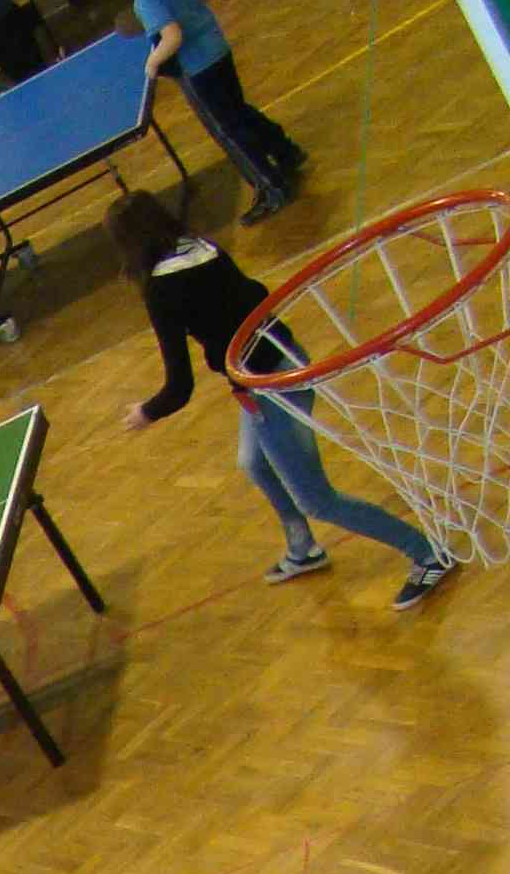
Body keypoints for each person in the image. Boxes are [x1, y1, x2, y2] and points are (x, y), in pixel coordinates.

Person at [106, 192, 452, 607]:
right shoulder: (204, 248)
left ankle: (427, 553)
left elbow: (180, 387)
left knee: (317, 500)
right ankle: (302, 547)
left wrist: (146, 412)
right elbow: (256, 293)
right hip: (287, 359)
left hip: (270, 386)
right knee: (253, 462)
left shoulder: (161, 290)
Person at [108, 0, 305, 221]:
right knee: (239, 110)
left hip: (197, 68)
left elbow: (172, 37)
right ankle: (287, 153)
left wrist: (152, 63)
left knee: (228, 130)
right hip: (218, 48)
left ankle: (273, 188)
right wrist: (189, 11)